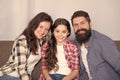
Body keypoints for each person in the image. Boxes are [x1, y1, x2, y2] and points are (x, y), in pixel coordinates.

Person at [0, 12, 53, 80]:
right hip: (9, 76)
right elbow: (21, 68)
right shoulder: (22, 40)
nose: (42, 31)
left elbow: (54, 38)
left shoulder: (41, 41)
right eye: (41, 27)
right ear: (34, 25)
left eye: (46, 29)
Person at [71, 10, 120, 80]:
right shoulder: (76, 44)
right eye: (76, 25)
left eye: (82, 23)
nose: (79, 27)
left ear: (90, 24)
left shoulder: (103, 41)